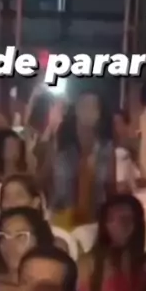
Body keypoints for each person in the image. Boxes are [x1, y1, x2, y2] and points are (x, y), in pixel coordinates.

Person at [36, 92, 116, 229]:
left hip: (94, 221)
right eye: (84, 106)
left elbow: (111, 191)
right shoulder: (60, 145)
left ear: (99, 114)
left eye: (93, 107)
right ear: (76, 110)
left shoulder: (106, 149)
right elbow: (41, 180)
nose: (88, 111)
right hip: (61, 219)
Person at [78, 194, 146, 291]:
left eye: (126, 220)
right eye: (111, 220)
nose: (119, 226)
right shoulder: (87, 265)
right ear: (104, 224)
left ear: (138, 224)